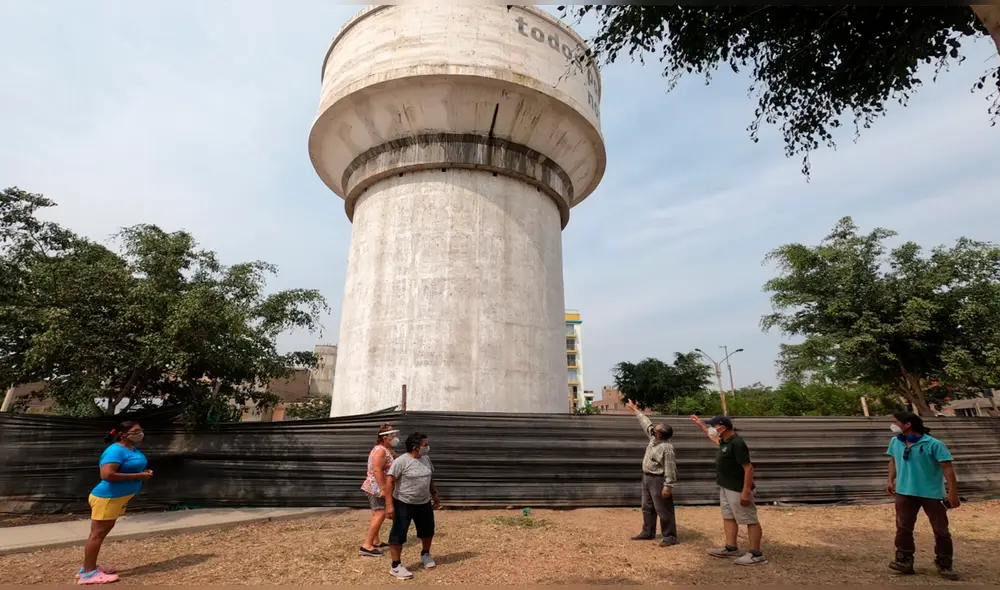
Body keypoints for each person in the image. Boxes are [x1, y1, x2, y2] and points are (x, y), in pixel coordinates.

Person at [885, 411, 960, 580]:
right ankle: (904, 561)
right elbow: (892, 460)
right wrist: (891, 479)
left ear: (908, 424)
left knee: (941, 530)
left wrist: (952, 492)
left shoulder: (933, 444)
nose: (892, 425)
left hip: (931, 494)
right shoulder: (895, 442)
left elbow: (947, 467)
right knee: (903, 528)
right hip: (905, 492)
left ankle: (944, 564)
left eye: (895, 422)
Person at [77, 421, 153, 585]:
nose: (140, 433)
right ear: (122, 434)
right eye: (136, 430)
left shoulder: (131, 448)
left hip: (116, 498)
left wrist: (143, 473)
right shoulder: (115, 450)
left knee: (100, 533)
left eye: (141, 429)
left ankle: (87, 568)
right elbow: (107, 474)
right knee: (97, 535)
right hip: (107, 498)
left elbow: (129, 468)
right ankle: (89, 574)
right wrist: (138, 476)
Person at [690, 414, 766, 566]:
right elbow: (713, 438)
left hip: (738, 488)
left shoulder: (737, 443)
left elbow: (748, 468)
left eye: (713, 426)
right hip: (725, 486)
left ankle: (756, 554)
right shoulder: (725, 441)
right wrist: (701, 425)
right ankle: (731, 548)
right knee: (728, 517)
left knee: (749, 519)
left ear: (722, 427)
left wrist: (746, 491)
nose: (712, 429)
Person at [384, 432, 441, 580]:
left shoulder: (426, 459)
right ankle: (396, 566)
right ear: (416, 447)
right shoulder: (401, 462)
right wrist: (389, 505)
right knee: (398, 534)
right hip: (404, 503)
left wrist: (434, 493)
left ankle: (426, 554)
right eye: (425, 445)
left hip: (423, 502)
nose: (428, 447)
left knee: (428, 531)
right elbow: (389, 482)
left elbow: (429, 477)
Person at [624, 400, 678, 546]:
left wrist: (668, 486)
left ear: (660, 434)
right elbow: (646, 423)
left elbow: (670, 468)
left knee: (663, 509)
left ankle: (670, 537)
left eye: (656, 429)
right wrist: (635, 409)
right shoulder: (654, 439)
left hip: (658, 480)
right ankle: (648, 532)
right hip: (647, 478)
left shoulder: (666, 448)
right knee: (647, 506)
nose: (653, 428)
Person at [360, 423, 399, 557]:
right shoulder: (381, 451)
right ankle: (367, 545)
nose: (395, 438)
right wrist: (383, 488)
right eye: (393, 435)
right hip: (376, 486)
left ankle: (375, 541)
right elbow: (377, 469)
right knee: (380, 513)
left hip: (377, 486)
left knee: (377, 513)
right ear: (385, 438)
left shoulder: (384, 450)